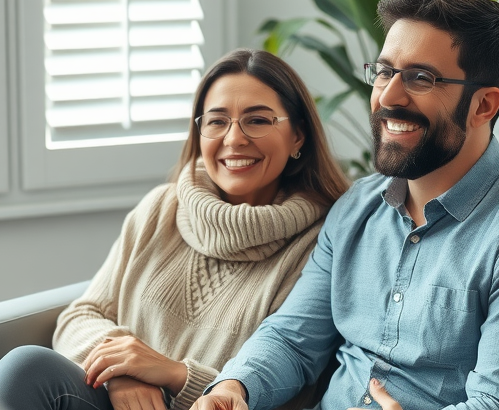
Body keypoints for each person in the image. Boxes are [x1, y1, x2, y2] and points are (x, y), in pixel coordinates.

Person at [191, 0, 499, 410]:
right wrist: (232, 388)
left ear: (483, 106)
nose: (388, 97)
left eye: (421, 78)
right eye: (385, 72)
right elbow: (293, 340)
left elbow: (496, 402)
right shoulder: (358, 206)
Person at [0, 49, 349, 410]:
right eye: (216, 121)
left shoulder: (325, 241)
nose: (234, 139)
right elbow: (79, 316)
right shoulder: (161, 208)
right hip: (113, 403)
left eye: (257, 120)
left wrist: (174, 374)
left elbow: (291, 378)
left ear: (298, 136)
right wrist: (124, 369)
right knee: (24, 367)